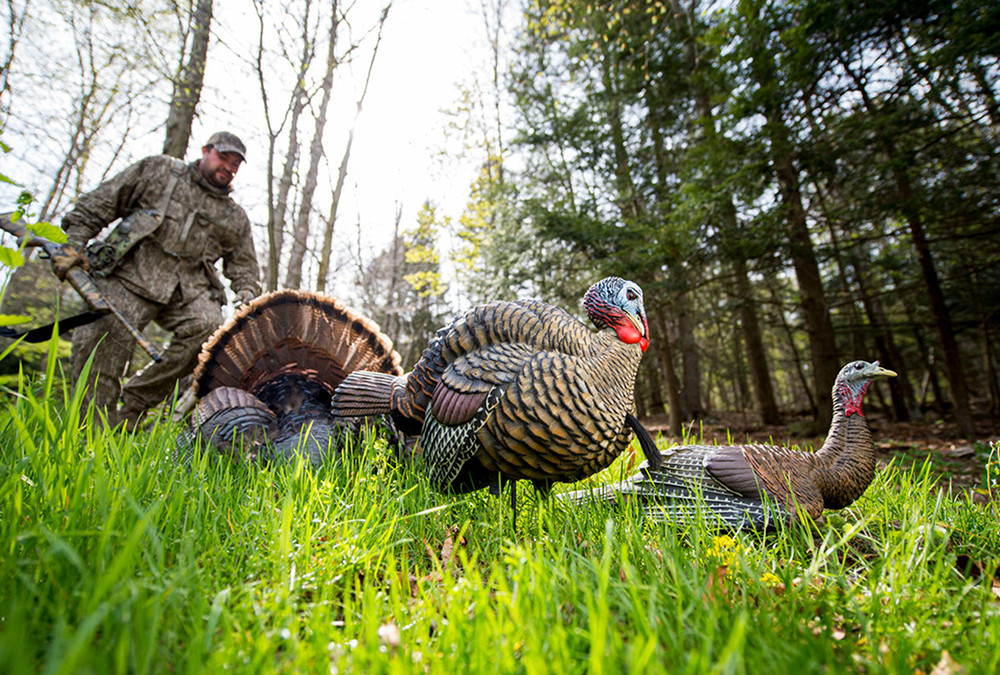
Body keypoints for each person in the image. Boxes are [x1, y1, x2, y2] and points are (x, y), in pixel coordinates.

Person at [50, 131, 261, 429]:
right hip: (128, 274)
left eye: (235, 163)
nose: (228, 167)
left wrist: (247, 292)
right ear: (205, 151)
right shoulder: (159, 171)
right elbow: (102, 202)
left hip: (187, 290)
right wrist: (73, 243)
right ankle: (90, 437)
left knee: (209, 335)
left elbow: (244, 265)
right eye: (223, 158)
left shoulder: (234, 216)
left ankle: (134, 404)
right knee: (102, 343)